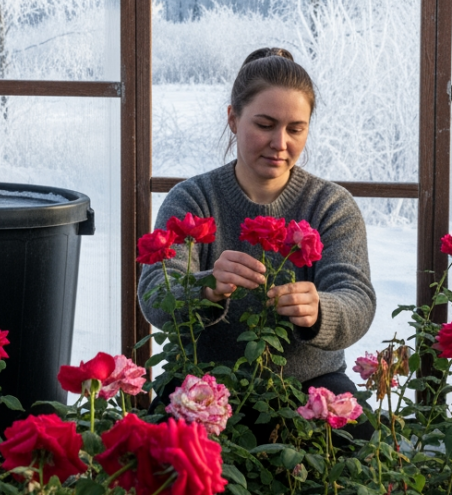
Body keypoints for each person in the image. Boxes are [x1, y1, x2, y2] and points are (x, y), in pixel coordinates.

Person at [138, 47, 376, 419]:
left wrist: (319, 310)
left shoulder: (331, 205)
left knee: (356, 456)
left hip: (311, 386)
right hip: (201, 385)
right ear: (233, 119)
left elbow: (357, 300)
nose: (280, 143)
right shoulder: (192, 199)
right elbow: (155, 293)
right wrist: (205, 287)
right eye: (264, 125)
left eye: (296, 129)